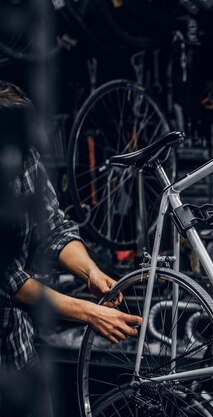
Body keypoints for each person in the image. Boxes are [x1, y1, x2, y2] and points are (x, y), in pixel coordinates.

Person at [0, 81, 142, 415]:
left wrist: (90, 272)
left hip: (17, 352)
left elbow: (53, 228)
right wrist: (89, 312)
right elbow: (7, 281)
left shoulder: (22, 157)